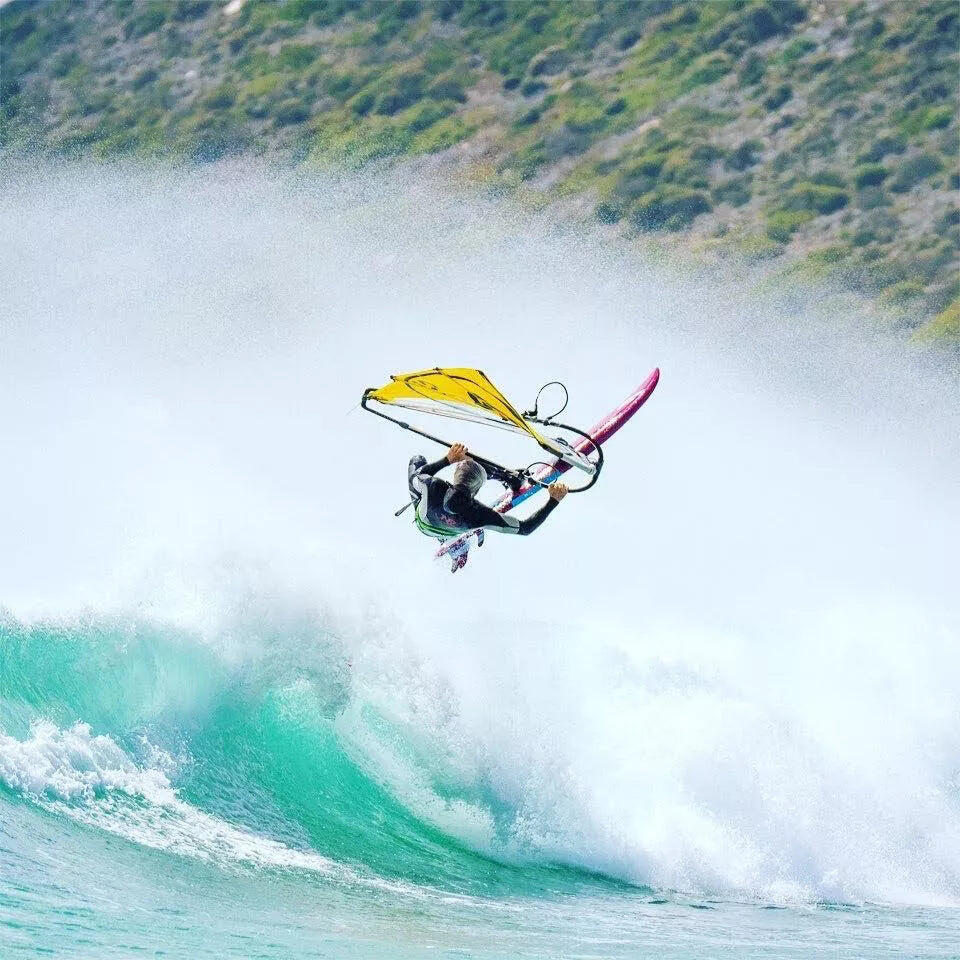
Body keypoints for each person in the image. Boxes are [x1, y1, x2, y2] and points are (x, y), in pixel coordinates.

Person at [407, 443, 568, 558]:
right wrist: (553, 501)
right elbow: (525, 528)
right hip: (442, 525)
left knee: (417, 461)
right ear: (475, 492)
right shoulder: (481, 516)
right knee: (478, 467)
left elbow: (416, 475)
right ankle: (510, 479)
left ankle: (510, 479)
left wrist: (447, 459)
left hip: (425, 524)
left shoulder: (434, 486)